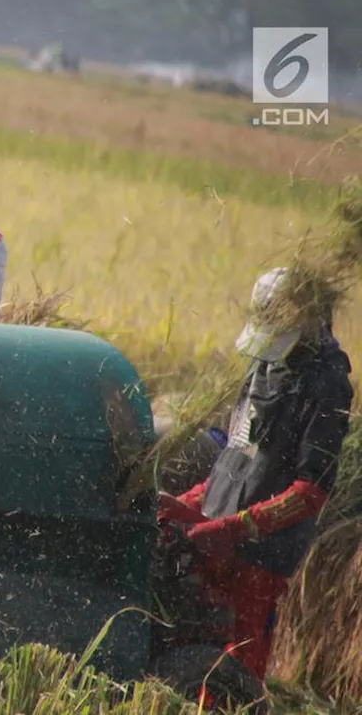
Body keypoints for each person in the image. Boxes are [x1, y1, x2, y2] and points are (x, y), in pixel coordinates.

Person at [159, 267, 354, 683]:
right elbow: (236, 457)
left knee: (239, 672)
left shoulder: (327, 383)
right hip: (217, 538)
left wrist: (235, 528)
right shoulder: (263, 364)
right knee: (192, 652)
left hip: (263, 558)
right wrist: (189, 504)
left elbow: (311, 491)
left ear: (307, 319)